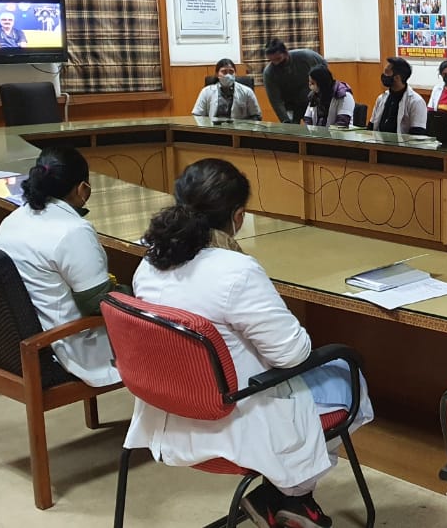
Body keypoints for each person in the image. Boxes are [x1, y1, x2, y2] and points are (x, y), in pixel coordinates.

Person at [129, 159, 373, 528]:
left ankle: (287, 500)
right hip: (233, 417)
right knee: (345, 371)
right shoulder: (235, 271)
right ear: (238, 216)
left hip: (171, 409)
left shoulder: (149, 264)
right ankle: (291, 494)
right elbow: (293, 354)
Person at [0, 147, 121, 387]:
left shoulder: (14, 219)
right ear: (82, 188)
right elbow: (98, 304)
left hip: (18, 340)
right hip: (66, 345)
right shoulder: (73, 231)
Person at [262, 40, 327, 124]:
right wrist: (285, 121)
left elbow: (325, 73)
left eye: (278, 59)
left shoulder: (306, 57)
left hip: (312, 100)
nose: (276, 63)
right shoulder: (269, 73)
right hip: (290, 104)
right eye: (272, 60)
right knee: (291, 128)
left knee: (319, 125)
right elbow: (276, 101)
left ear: (286, 52)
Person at [369, 57, 428, 135]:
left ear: (397, 78)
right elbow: (371, 126)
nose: (383, 75)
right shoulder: (381, 98)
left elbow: (417, 134)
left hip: (403, 142)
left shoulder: (416, 102)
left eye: (386, 72)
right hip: (378, 141)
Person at [192, 59, 261, 121]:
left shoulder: (247, 91)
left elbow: (256, 116)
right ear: (217, 74)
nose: (228, 75)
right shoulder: (206, 92)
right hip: (214, 129)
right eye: (224, 72)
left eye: (231, 72)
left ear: (235, 74)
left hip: (239, 129)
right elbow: (197, 115)